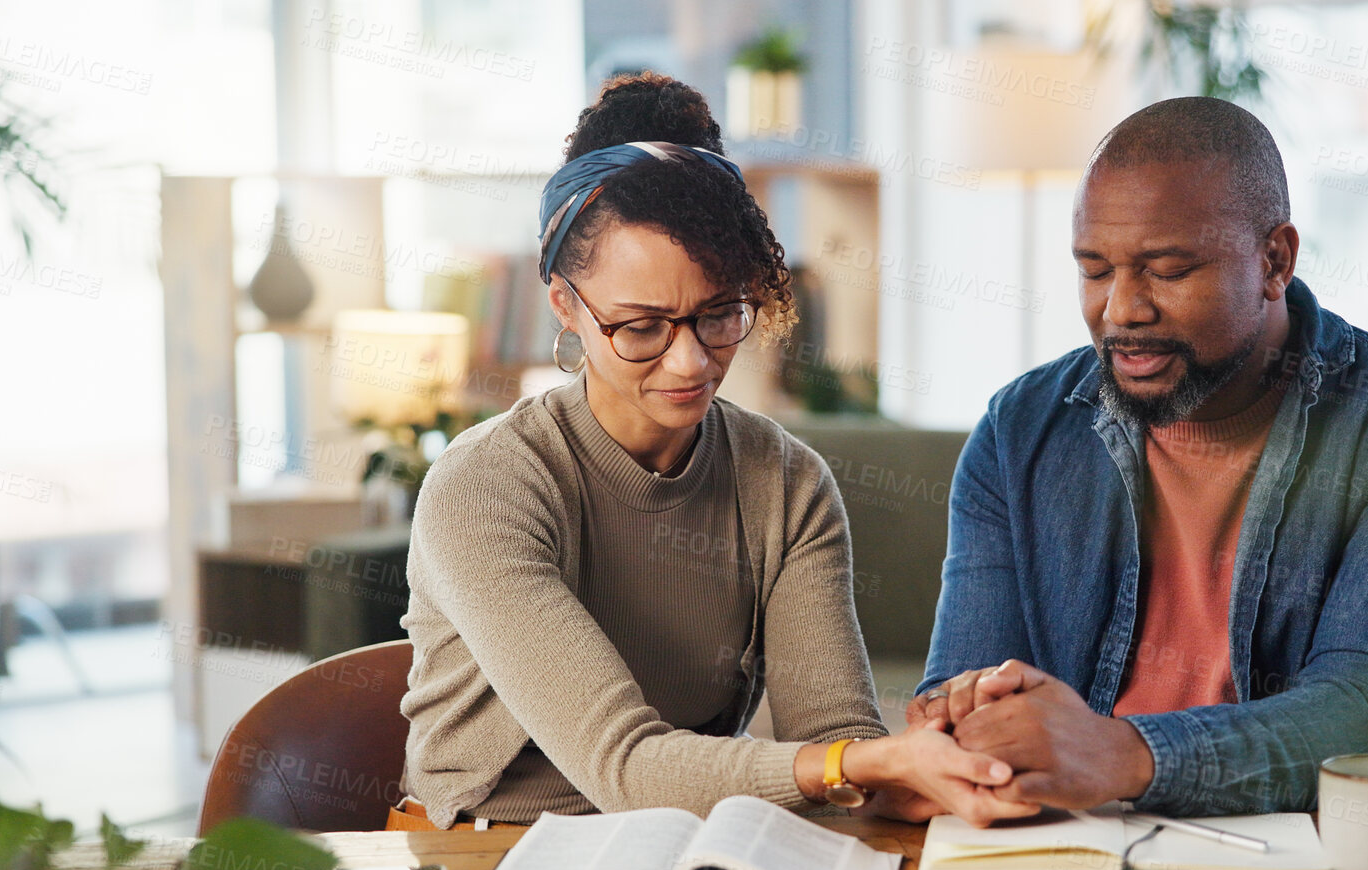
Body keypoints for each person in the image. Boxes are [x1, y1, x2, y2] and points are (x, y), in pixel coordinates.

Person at [397, 73, 1036, 830]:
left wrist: (949, 761)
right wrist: (862, 764)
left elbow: (834, 739)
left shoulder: (786, 481)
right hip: (485, 852)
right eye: (640, 327)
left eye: (720, 315)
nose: (690, 363)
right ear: (564, 304)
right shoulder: (488, 484)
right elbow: (624, 766)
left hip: (687, 844)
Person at [908, 97, 1368, 818]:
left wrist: (1118, 753)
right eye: (1094, 271)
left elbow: (1365, 716)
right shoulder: (1019, 428)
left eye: (1166, 269)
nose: (1121, 309)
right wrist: (959, 723)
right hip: (1071, 847)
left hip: (1327, 861)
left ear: (1273, 260)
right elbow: (954, 698)